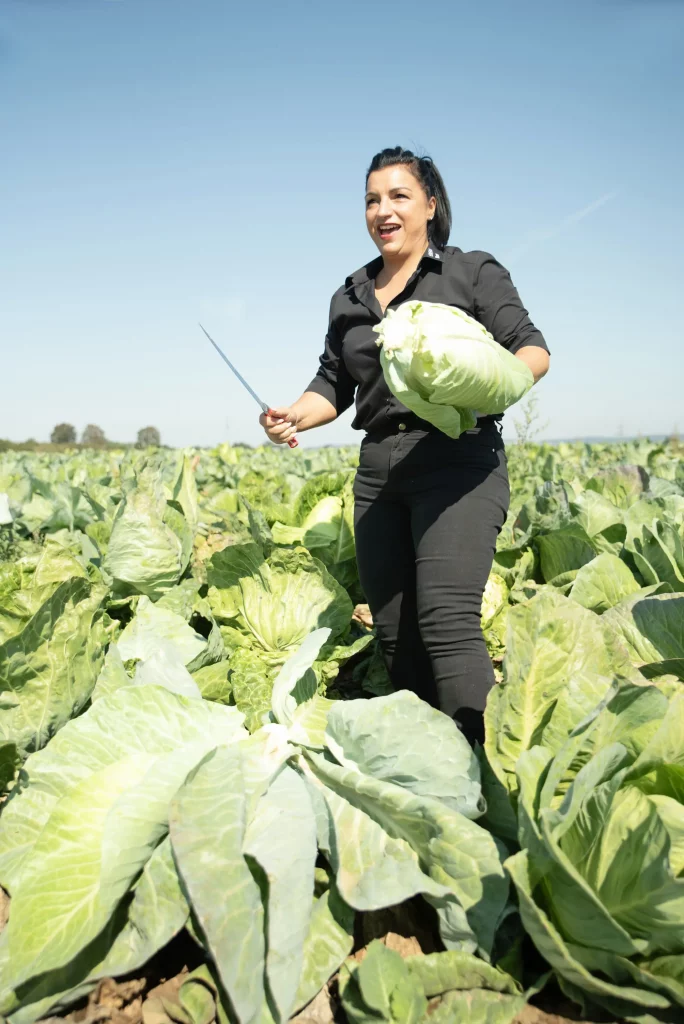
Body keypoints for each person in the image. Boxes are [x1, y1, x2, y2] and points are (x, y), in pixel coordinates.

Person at [260, 146, 550, 746]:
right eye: (372, 199)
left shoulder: (469, 272)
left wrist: (501, 384)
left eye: (398, 196)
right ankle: (432, 770)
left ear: (430, 204)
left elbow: (531, 348)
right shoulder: (349, 295)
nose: (382, 210)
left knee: (446, 621)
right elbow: (334, 384)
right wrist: (294, 415)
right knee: (394, 632)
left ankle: (487, 774)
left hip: (457, 461)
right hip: (379, 475)